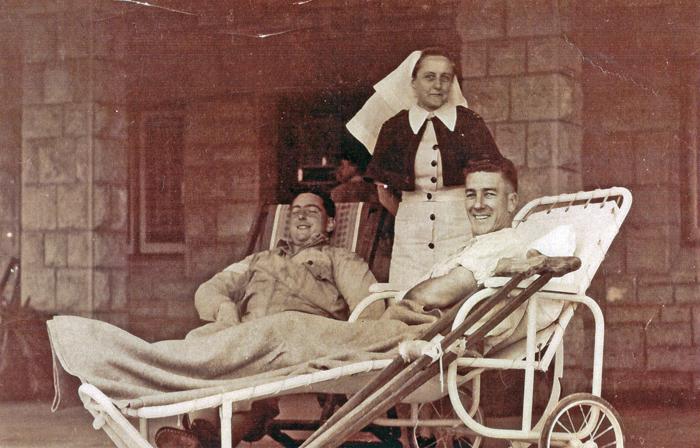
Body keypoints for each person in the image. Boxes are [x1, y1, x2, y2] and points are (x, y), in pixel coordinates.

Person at [156, 189, 381, 448]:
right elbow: (209, 289)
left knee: (245, 368)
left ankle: (202, 438)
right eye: (296, 210)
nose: (302, 215)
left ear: (330, 223)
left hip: (297, 337)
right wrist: (224, 308)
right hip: (249, 336)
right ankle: (204, 438)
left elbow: (368, 308)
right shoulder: (259, 260)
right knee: (198, 339)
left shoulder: (340, 259)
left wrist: (350, 349)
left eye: (312, 210)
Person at [346, 47, 504, 289]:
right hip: (410, 239)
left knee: (457, 307)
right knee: (410, 304)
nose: (438, 85)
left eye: (445, 78)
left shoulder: (470, 123)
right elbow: (383, 192)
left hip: (460, 231)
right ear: (413, 82)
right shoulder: (394, 128)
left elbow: (493, 182)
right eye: (429, 77)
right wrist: (411, 218)